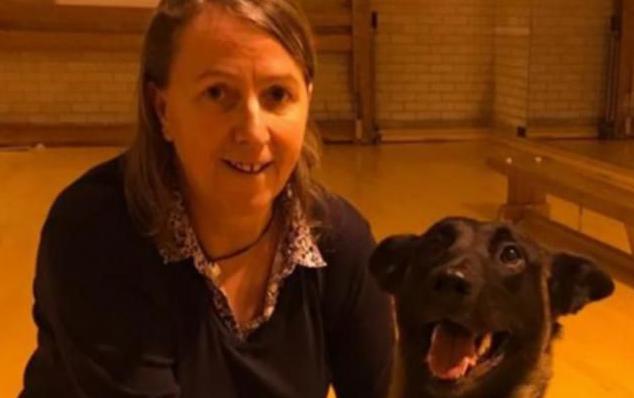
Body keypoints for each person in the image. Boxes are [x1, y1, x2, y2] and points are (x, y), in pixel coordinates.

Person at [20, 1, 394, 397]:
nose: (252, 131)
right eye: (217, 93)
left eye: (278, 95)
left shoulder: (340, 242)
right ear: (162, 109)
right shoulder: (96, 232)